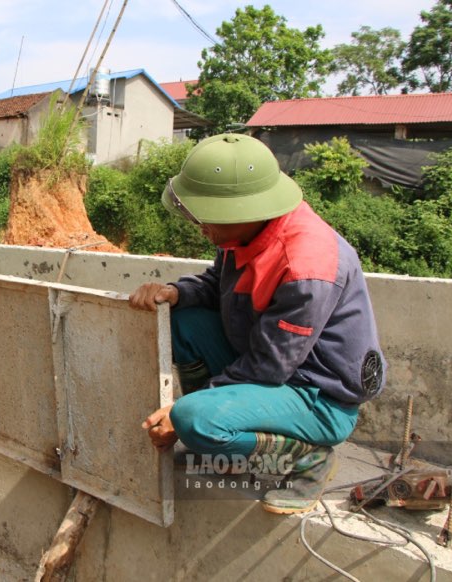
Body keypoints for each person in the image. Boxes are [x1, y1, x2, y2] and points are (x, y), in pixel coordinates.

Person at [130, 134, 386, 514]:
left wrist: (184, 411)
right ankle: (229, 449)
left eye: (206, 215)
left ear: (243, 209)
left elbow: (268, 366)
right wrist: (176, 292)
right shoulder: (245, 233)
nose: (201, 226)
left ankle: (307, 459)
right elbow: (219, 285)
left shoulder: (306, 269)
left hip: (318, 398)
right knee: (181, 321)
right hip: (274, 368)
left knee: (193, 419)